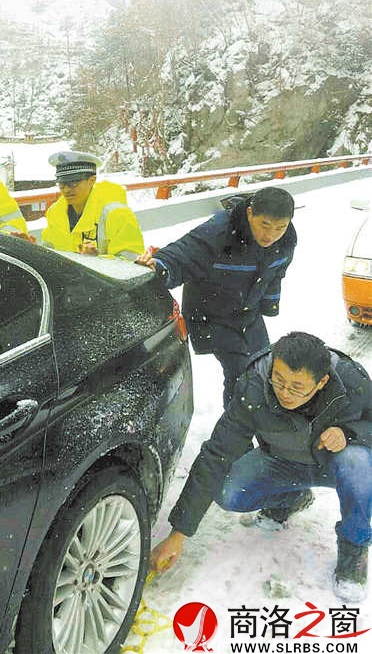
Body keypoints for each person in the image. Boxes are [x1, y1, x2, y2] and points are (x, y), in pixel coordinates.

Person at [150, 332, 371, 602]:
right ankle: (291, 497)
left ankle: (354, 548)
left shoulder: (351, 381)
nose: (284, 393)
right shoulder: (255, 383)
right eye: (278, 380)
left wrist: (348, 433)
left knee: (359, 466)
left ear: (321, 382)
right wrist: (178, 533)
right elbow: (217, 453)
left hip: (334, 463)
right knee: (229, 491)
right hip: (282, 461)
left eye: (296, 387)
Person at [136, 186, 296, 407]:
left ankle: (257, 424)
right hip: (211, 314)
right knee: (242, 374)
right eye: (264, 225)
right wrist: (158, 267)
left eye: (280, 227)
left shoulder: (286, 240)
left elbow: (275, 273)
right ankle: (234, 434)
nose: (270, 235)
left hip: (247, 311)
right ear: (250, 213)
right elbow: (182, 255)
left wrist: (270, 304)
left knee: (264, 367)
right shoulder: (220, 232)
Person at [41, 150, 144, 260]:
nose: (66, 190)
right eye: (62, 184)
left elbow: (132, 262)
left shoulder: (117, 214)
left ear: (92, 180)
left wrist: (95, 261)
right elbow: (48, 252)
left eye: (73, 184)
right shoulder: (55, 213)